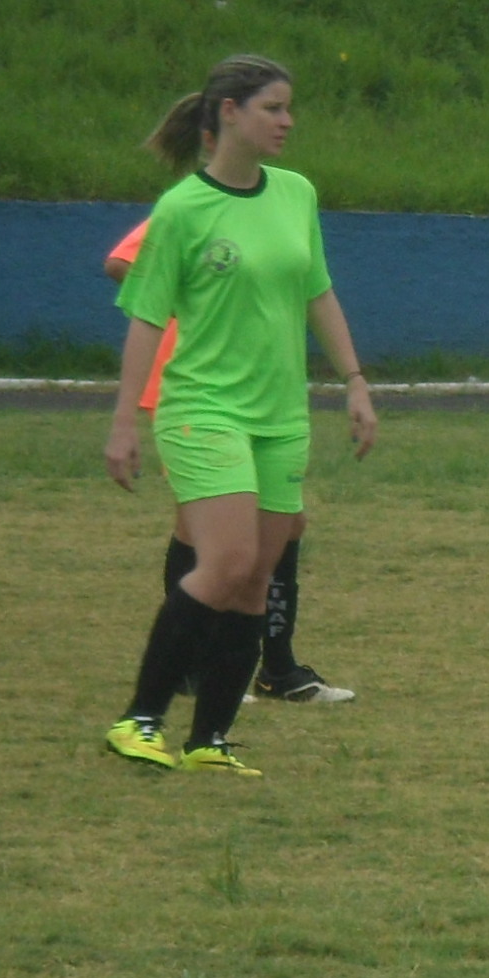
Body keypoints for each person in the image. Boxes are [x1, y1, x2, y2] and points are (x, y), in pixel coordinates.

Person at [100, 55, 376, 774]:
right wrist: (124, 422)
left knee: (256, 577)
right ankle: (140, 719)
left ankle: (209, 742)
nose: (287, 122)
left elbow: (318, 292)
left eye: (289, 109)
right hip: (203, 408)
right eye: (273, 108)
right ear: (229, 113)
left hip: (281, 417)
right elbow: (144, 319)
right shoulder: (183, 210)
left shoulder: (296, 194)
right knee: (223, 562)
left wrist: (354, 381)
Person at [105, 223, 356, 706]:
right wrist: (195, 309)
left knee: (287, 524)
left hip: (255, 394)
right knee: (200, 528)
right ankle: (193, 667)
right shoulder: (200, 204)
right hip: (195, 392)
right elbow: (121, 262)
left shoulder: (276, 203)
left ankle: (276, 668)